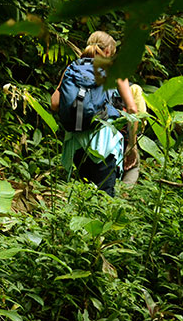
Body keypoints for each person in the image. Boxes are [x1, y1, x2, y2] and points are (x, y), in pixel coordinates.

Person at [50, 31, 138, 197]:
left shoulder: (72, 68)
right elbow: (132, 110)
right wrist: (131, 146)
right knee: (104, 199)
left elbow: (54, 103)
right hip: (105, 142)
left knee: (80, 198)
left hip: (76, 143)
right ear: (107, 52)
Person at [121, 83, 147, 185]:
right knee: (133, 166)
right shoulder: (134, 88)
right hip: (126, 138)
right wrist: (133, 143)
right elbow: (140, 116)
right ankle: (123, 196)